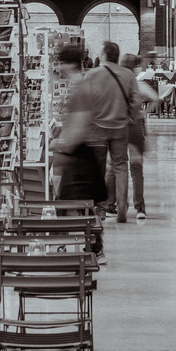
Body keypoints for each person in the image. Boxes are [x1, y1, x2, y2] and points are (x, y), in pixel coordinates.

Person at [50, 43, 108, 260]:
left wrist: (64, 144)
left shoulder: (80, 88)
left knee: (73, 203)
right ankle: (90, 246)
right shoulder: (82, 85)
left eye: (60, 62)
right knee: (78, 204)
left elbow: (81, 122)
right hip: (81, 151)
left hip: (80, 153)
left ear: (66, 63)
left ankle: (91, 246)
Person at [72, 41, 136, 225]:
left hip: (97, 127)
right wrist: (130, 117)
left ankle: (100, 207)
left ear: (105, 55)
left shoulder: (92, 74)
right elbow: (136, 101)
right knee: (121, 165)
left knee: (98, 167)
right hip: (120, 127)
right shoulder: (128, 75)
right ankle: (122, 206)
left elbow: (83, 100)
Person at [119, 53, 161, 222]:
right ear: (134, 67)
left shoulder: (117, 82)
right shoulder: (138, 84)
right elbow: (156, 98)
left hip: (119, 127)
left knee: (117, 167)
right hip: (135, 127)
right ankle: (140, 207)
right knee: (136, 169)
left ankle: (116, 204)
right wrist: (144, 112)